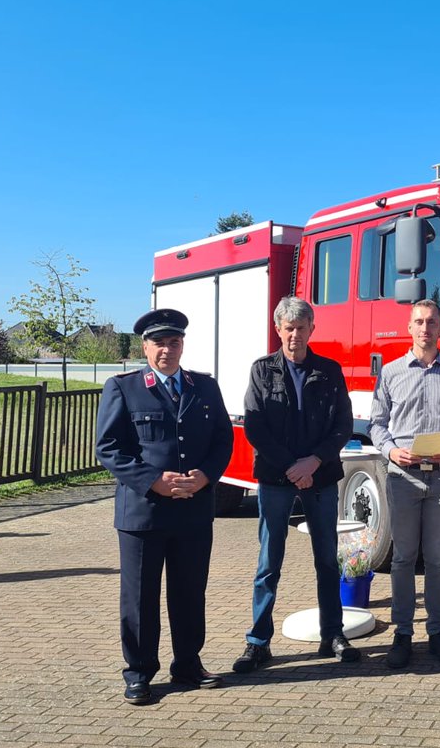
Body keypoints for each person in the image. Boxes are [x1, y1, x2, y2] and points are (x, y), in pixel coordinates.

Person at [95, 308, 234, 705]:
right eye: (159, 343)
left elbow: (223, 440)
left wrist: (206, 476)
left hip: (193, 509)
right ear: (145, 346)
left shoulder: (204, 388)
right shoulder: (123, 387)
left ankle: (187, 663)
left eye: (174, 343)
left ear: (182, 345)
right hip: (143, 512)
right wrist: (153, 481)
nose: (167, 350)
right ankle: (139, 672)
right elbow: (108, 448)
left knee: (190, 591)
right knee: (140, 597)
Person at [232, 297, 358, 675]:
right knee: (269, 562)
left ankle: (332, 634)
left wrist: (313, 461)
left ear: (311, 330)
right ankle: (258, 642)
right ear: (278, 330)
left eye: (301, 328)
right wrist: (292, 466)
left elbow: (343, 424)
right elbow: (255, 427)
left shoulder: (329, 370)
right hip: (276, 478)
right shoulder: (262, 370)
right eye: (288, 328)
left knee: (326, 559)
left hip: (320, 477)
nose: (295, 335)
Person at [369, 299, 440, 668]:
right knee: (402, 559)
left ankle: (437, 632)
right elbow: (377, 424)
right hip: (403, 478)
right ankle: (402, 634)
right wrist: (390, 451)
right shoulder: (392, 373)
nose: (425, 328)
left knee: (437, 560)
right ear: (409, 327)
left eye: (432, 322)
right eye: (419, 322)